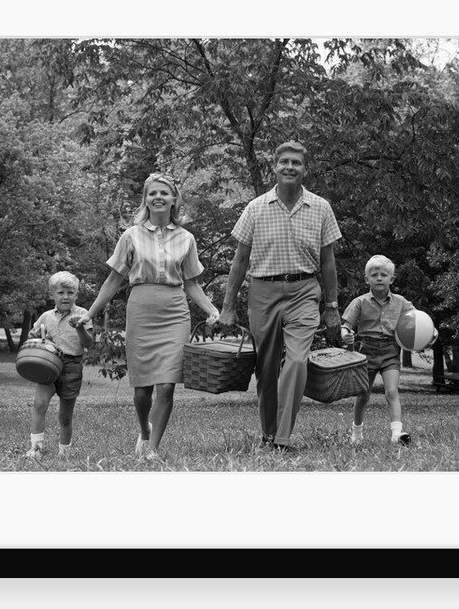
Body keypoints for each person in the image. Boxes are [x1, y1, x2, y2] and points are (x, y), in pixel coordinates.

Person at [71, 172, 220, 461]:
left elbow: (191, 283)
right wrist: (89, 314)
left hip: (175, 312)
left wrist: (212, 310)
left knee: (166, 385)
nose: (158, 197)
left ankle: (152, 450)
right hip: (141, 309)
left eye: (164, 192)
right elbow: (113, 281)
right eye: (153, 193)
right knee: (142, 391)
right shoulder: (131, 235)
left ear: (174, 199)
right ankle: (143, 430)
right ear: (146, 200)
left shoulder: (186, 238)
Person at [219, 141, 342, 452]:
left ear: (304, 169)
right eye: (284, 162)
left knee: (298, 361)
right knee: (267, 368)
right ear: (274, 167)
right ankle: (268, 433)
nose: (290, 167)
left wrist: (331, 307)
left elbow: (328, 262)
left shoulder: (321, 207)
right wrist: (228, 307)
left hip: (304, 291)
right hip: (263, 292)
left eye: (296, 163)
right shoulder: (256, 207)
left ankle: (282, 438)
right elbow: (240, 260)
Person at [340, 254, 436, 446]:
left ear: (391, 279)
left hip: (390, 352)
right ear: (367, 279)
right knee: (363, 395)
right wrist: (345, 334)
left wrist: (431, 333)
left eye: (384, 274)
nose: (379, 278)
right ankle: (356, 434)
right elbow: (346, 326)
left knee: (392, 392)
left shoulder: (401, 302)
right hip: (365, 352)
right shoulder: (360, 302)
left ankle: (397, 434)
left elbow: (418, 320)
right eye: (374, 274)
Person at [24, 271, 94, 459]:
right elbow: (33, 335)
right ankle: (36, 449)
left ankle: (64, 452)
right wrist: (36, 337)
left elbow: (88, 343)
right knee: (39, 404)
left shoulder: (83, 314)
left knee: (65, 416)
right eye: (61, 292)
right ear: (52, 295)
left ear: (76, 294)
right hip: (48, 363)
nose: (65, 297)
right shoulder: (46, 317)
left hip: (72, 366)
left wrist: (79, 327)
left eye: (70, 292)